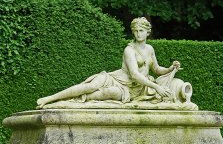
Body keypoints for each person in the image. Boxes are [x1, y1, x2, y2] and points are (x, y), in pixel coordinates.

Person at [37, 17, 194, 108]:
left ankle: (78, 101)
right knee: (90, 86)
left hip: (133, 90)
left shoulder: (150, 49)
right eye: (136, 31)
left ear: (148, 32)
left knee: (109, 94)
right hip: (115, 79)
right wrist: (156, 87)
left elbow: (157, 69)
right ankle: (50, 99)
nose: (138, 34)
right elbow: (134, 74)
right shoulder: (129, 50)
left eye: (141, 31)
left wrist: (171, 68)